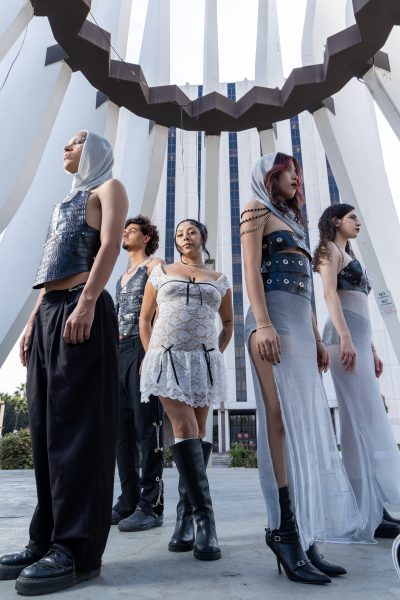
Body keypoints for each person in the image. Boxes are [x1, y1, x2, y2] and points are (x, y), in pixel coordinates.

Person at [0, 131, 128, 595]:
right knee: (46, 430)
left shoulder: (107, 188)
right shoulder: (64, 203)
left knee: (79, 431)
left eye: (76, 142)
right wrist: (35, 318)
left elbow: (110, 244)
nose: (66, 148)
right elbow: (49, 263)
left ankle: (77, 550)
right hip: (53, 310)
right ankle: (45, 539)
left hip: (82, 307)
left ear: (94, 151)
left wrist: (89, 300)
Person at [241, 153, 365, 586]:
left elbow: (309, 291)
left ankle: (307, 533)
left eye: (297, 171)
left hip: (298, 325)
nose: (296, 176)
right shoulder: (255, 209)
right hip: (270, 322)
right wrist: (261, 323)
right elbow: (251, 271)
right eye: (287, 171)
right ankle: (285, 532)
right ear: (270, 176)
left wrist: (316, 338)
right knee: (279, 423)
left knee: (307, 425)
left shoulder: (294, 220)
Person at [139, 219, 233, 560]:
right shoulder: (161, 274)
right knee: (184, 428)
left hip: (203, 362)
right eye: (179, 234)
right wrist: (152, 356)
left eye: (191, 231)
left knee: (198, 432)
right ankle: (206, 521)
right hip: (166, 358)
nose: (184, 237)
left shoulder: (220, 279)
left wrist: (215, 353)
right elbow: (145, 317)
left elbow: (228, 322)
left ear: (203, 237)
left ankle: (184, 518)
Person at [313, 203, 400, 540]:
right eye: (352, 218)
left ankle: (373, 510)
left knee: (360, 425)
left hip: (359, 344)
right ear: (336, 221)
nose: (357, 222)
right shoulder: (327, 250)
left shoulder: (349, 255)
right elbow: (329, 294)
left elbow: (360, 303)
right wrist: (347, 338)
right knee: (361, 424)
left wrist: (373, 348)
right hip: (342, 343)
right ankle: (368, 511)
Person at [112, 216, 164, 531]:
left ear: (146, 238)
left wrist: (152, 351)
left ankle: (151, 505)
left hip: (141, 347)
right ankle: (128, 499)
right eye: (124, 229)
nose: (125, 232)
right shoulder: (121, 276)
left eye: (132, 230)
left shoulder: (153, 266)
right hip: (117, 352)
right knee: (122, 431)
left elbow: (160, 310)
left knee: (148, 427)